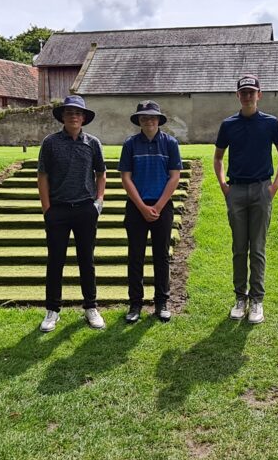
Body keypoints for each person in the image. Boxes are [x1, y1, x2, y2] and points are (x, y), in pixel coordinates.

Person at [213, 74, 278, 324]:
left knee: (257, 249)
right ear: (238, 95)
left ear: (259, 94)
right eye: (243, 92)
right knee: (238, 248)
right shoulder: (228, 125)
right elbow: (218, 158)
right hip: (236, 191)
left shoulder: (270, 123)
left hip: (261, 190)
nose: (247, 96)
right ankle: (240, 298)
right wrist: (224, 185)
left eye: (251, 92)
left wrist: (274, 187)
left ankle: (257, 300)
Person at [37, 95, 106, 332]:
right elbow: (43, 176)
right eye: (69, 113)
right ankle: (52, 310)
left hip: (85, 209)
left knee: (86, 260)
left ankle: (91, 307)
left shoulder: (93, 143)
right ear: (63, 117)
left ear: (84, 118)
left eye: (77, 114)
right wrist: (47, 209)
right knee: (55, 261)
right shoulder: (51, 143)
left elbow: (101, 173)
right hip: (58, 209)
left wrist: (99, 201)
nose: (74, 117)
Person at [118, 100, 183, 323]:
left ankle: (161, 302)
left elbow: (175, 176)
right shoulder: (130, 144)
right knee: (135, 256)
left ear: (159, 120)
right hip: (137, 207)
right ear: (139, 120)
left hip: (162, 207)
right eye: (144, 117)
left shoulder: (170, 143)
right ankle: (135, 304)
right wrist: (142, 207)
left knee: (161, 256)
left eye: (152, 117)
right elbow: (125, 178)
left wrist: (157, 206)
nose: (148, 120)